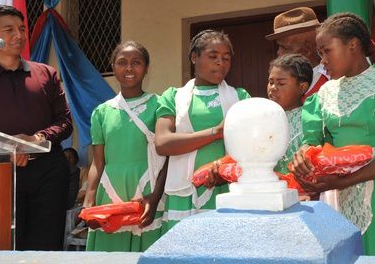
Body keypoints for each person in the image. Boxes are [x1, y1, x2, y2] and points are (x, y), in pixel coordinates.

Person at [291, 13, 375, 257]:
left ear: (353, 45)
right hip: (336, 198)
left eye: (327, 51)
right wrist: (304, 157)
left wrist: (343, 181)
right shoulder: (323, 94)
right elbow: (313, 142)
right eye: (320, 53)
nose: (323, 61)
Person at [0, 5, 72, 250]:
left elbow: (65, 122)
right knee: (1, 247)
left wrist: (35, 139)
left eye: (22, 29)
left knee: (45, 248)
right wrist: (7, 149)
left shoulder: (46, 74)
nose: (19, 35)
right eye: (9, 30)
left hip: (48, 175)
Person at [156, 30, 250, 233]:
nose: (221, 63)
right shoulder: (173, 97)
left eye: (226, 58)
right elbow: (163, 143)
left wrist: (223, 169)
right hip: (183, 192)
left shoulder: (240, 97)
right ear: (194, 57)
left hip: (226, 187)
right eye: (213, 56)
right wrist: (216, 132)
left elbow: (250, 147)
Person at [84, 41, 168, 252]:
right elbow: (98, 161)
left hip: (147, 188)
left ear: (146, 68)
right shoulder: (101, 112)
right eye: (122, 62)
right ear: (113, 67)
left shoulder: (160, 104)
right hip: (110, 189)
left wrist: (156, 196)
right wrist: (90, 194)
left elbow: (167, 157)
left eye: (136, 62)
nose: (129, 68)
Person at [266, 7, 329, 99]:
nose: (279, 53)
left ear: (306, 49)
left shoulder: (332, 82)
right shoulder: (277, 88)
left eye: (285, 47)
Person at [267, 54, 313, 175]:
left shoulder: (310, 118)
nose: (273, 88)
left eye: (281, 83)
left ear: (302, 87)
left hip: (304, 190)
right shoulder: (263, 118)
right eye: (271, 82)